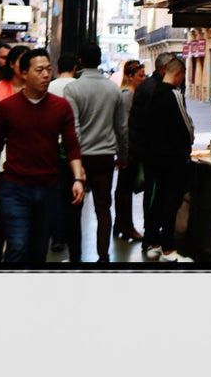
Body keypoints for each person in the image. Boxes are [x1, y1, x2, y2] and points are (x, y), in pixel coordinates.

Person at [0, 48, 85, 265]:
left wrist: (78, 178)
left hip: (49, 188)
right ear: (24, 73)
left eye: (49, 70)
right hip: (15, 188)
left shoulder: (60, 107)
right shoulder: (7, 108)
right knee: (17, 245)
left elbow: (72, 144)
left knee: (39, 250)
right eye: (39, 70)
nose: (46, 75)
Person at [62, 42, 128, 263]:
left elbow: (74, 127)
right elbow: (121, 127)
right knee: (103, 208)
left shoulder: (72, 89)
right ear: (100, 60)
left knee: (74, 209)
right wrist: (123, 154)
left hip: (80, 157)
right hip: (105, 157)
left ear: (79, 61)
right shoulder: (113, 89)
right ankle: (103, 256)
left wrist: (76, 161)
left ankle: (75, 257)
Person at [0, 44, 30, 265]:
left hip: (28, 163)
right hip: (1, 163)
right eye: (22, 62)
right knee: (0, 211)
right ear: (11, 64)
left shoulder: (34, 90)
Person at [143, 55, 194, 263]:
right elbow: (187, 126)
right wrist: (188, 141)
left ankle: (153, 243)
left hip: (155, 157)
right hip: (174, 159)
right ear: (178, 74)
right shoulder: (174, 94)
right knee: (171, 202)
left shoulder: (152, 92)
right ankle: (168, 248)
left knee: (157, 200)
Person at [129, 53, 173, 258]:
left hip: (148, 150)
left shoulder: (148, 85)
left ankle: (151, 236)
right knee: (155, 193)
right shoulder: (157, 88)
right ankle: (152, 237)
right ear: (164, 68)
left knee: (153, 193)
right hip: (155, 152)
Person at [47, 51, 80, 258]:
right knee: (73, 194)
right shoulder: (77, 87)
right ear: (75, 68)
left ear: (57, 68)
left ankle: (57, 236)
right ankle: (70, 235)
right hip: (71, 146)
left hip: (52, 145)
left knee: (57, 192)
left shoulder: (49, 86)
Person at [113, 59, 147, 241]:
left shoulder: (129, 93)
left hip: (129, 149)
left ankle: (120, 224)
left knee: (123, 189)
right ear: (130, 76)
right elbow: (123, 126)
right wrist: (124, 154)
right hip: (130, 150)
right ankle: (127, 226)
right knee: (125, 189)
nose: (143, 79)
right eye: (140, 76)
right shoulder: (128, 95)